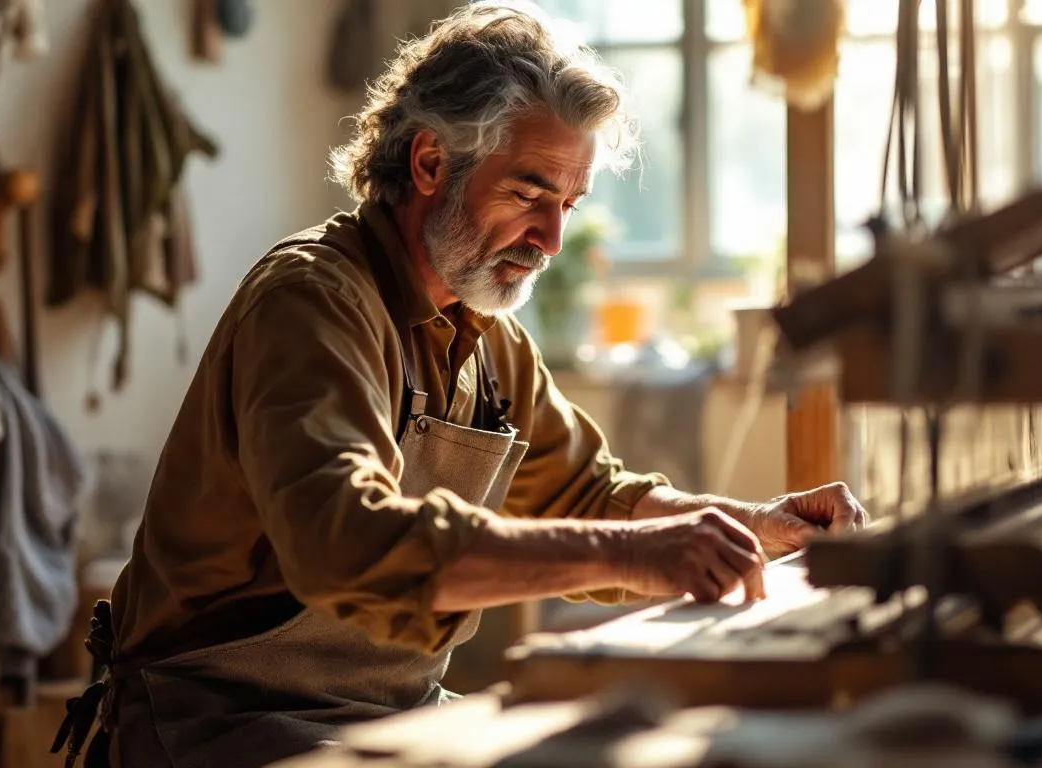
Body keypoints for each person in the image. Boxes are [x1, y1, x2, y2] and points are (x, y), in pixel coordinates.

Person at [53, 2, 866, 766]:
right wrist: (636, 552)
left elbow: (588, 494)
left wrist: (748, 527)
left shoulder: (490, 340)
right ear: (432, 161)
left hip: (390, 712)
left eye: (570, 204)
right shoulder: (312, 301)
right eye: (529, 193)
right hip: (219, 722)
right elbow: (344, 540)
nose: (550, 239)